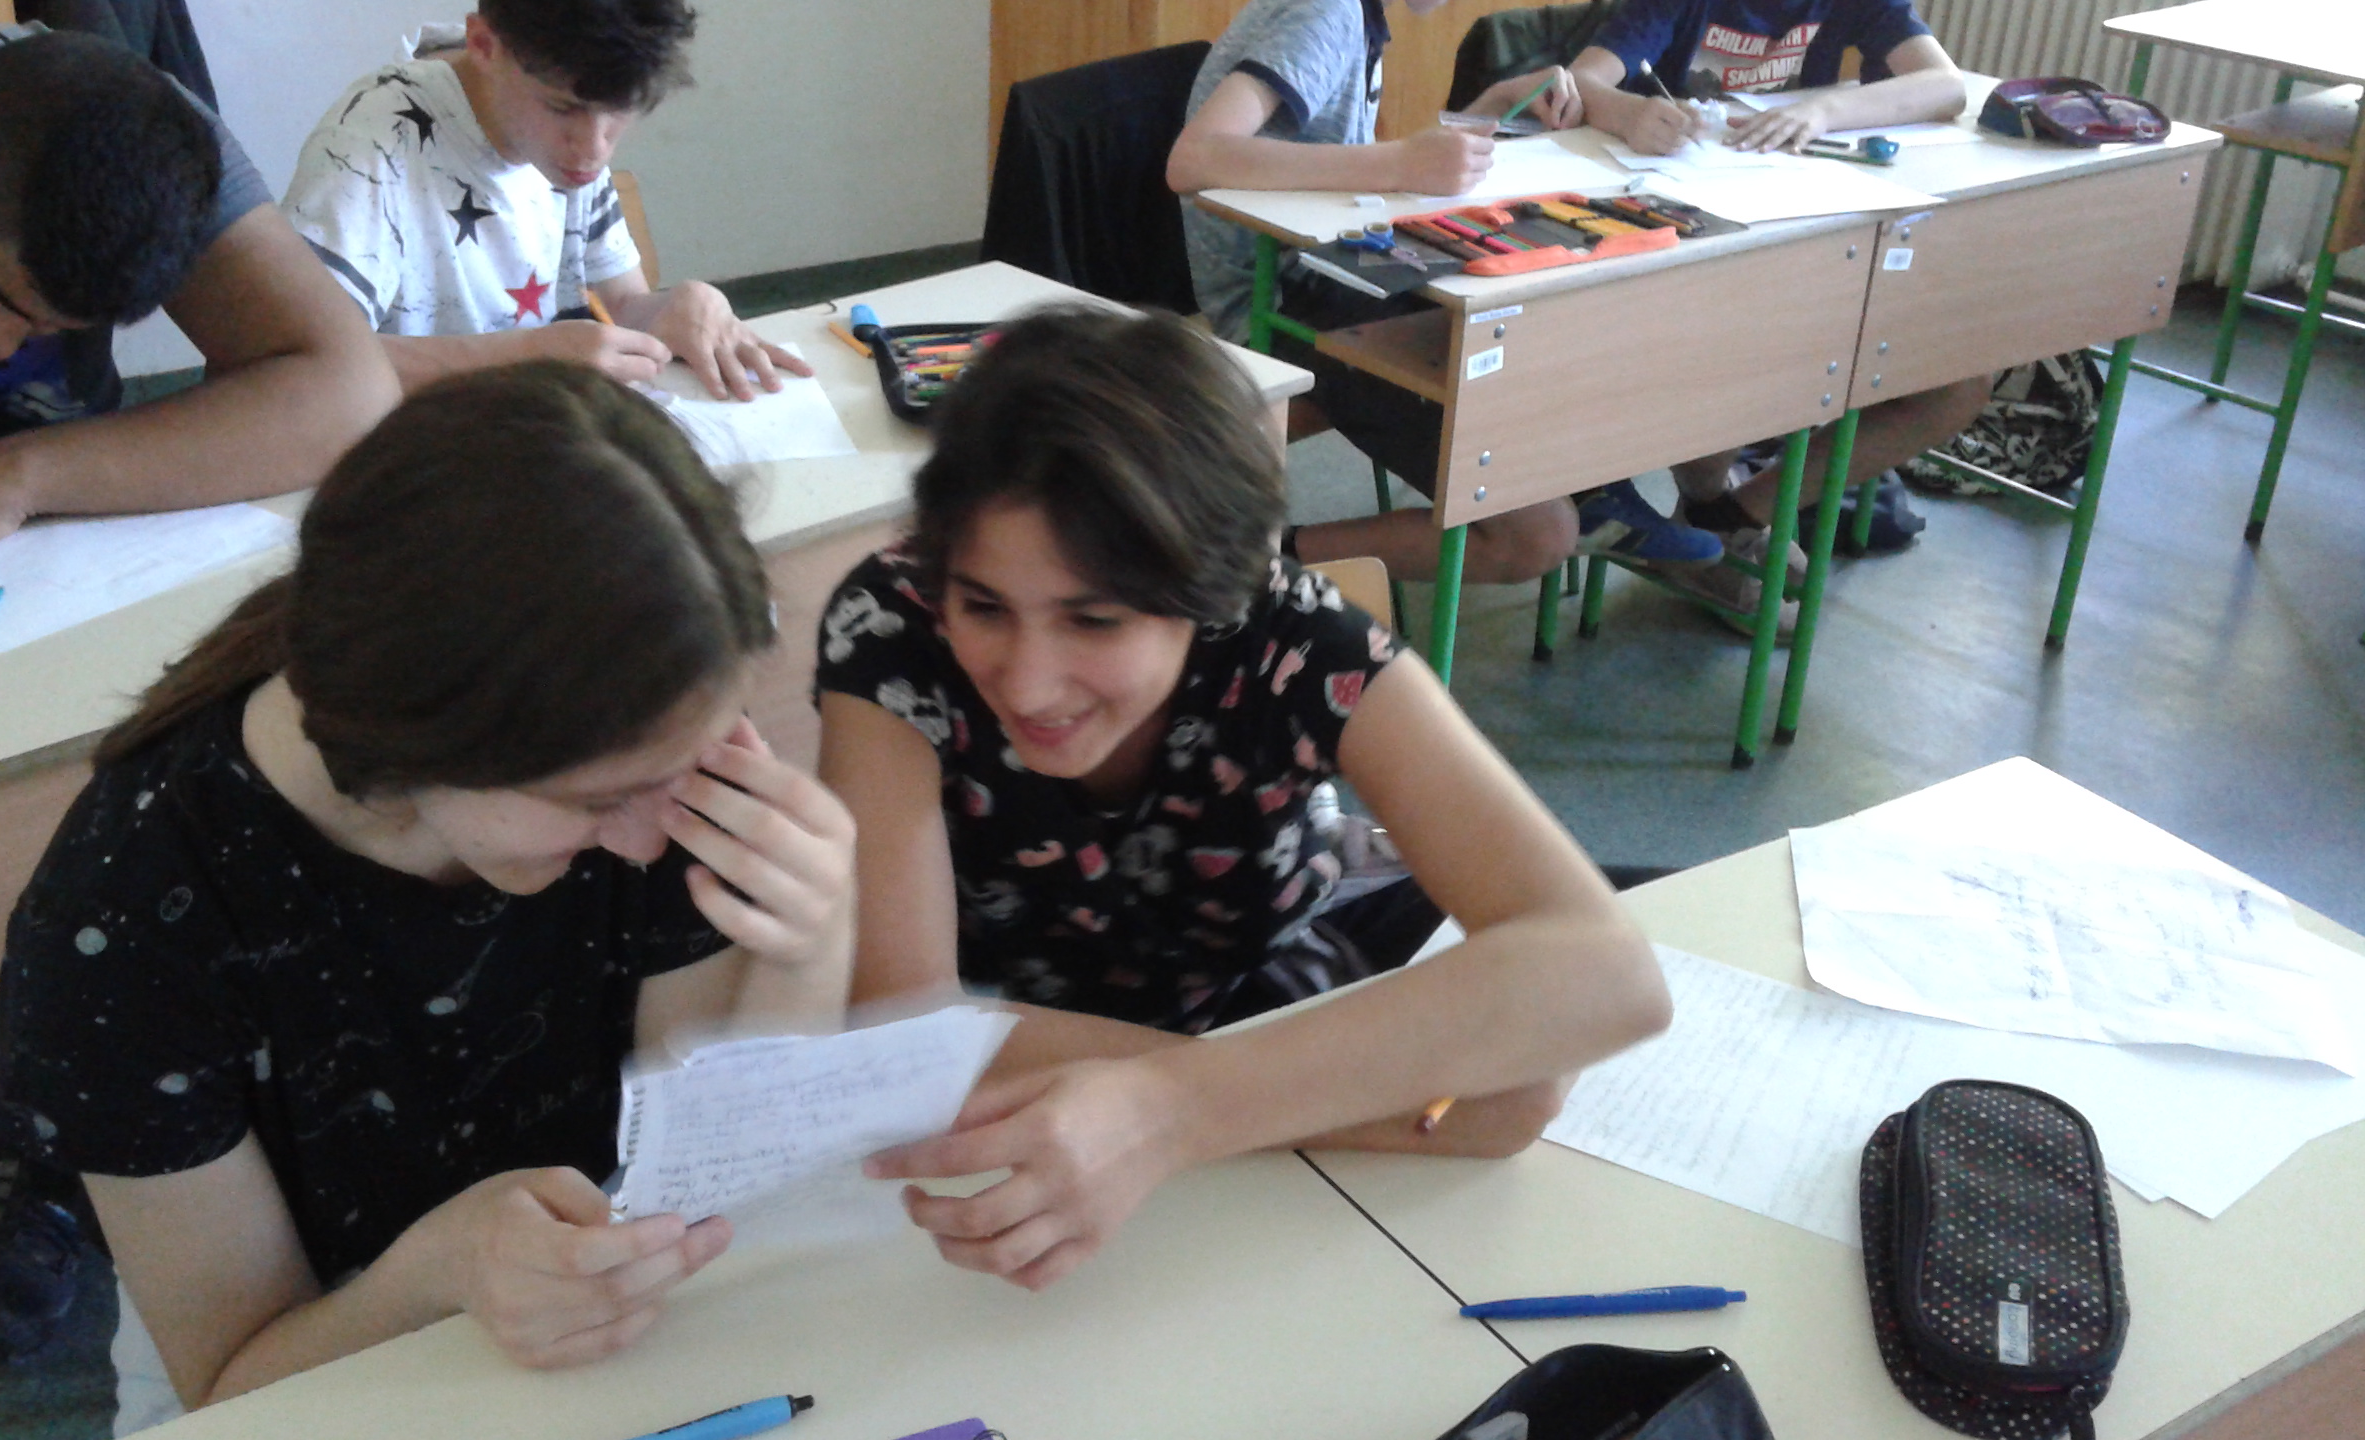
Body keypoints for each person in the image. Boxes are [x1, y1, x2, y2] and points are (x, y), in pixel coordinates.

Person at [0, 362, 857, 1429]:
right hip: (319, 1356)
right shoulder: (125, 922)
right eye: (595, 802)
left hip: (600, 1306)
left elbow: (713, 1180)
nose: (649, 840)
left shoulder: (645, 757)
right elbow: (230, 1388)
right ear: (416, 745)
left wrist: (807, 947)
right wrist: (438, 1273)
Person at [815, 307, 1670, 1291]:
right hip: (1033, 1067)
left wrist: (1168, 1108)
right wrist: (1329, 1103)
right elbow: (906, 1029)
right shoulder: (892, 623)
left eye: (1095, 620)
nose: (1029, 682)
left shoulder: (1294, 634)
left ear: (1210, 591)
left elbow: (1607, 975)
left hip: (1256, 988)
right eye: (983, 606)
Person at [0, 9, 396, 633]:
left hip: (22, 581)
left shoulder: (143, 135)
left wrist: (15, 476)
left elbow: (350, 394)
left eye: (48, 328)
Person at [1167, 0, 1725, 591]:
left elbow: (1335, 172)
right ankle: (1260, 569)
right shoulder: (1325, 11)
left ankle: (1592, 490)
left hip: (1336, 276)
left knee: (1533, 316)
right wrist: (1398, 162)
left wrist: (1491, 106)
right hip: (1284, 302)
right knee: (1539, 534)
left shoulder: (1357, 16)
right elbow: (1194, 159)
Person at [1567, 0, 1988, 624]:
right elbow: (1580, 79)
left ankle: (1729, 518)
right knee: (1736, 359)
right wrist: (1628, 113)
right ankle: (1713, 516)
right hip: (1696, 244)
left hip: (1802, 227)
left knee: (1959, 383)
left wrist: (1822, 110)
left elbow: (1946, 87)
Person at [282, 1, 807, 401]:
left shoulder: (569, 126)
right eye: (562, 108)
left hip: (529, 428)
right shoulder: (372, 142)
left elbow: (623, 304)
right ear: (484, 45)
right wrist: (528, 355)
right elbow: (304, 362)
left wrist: (679, 306)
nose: (595, 148)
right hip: (409, 453)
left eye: (621, 110)